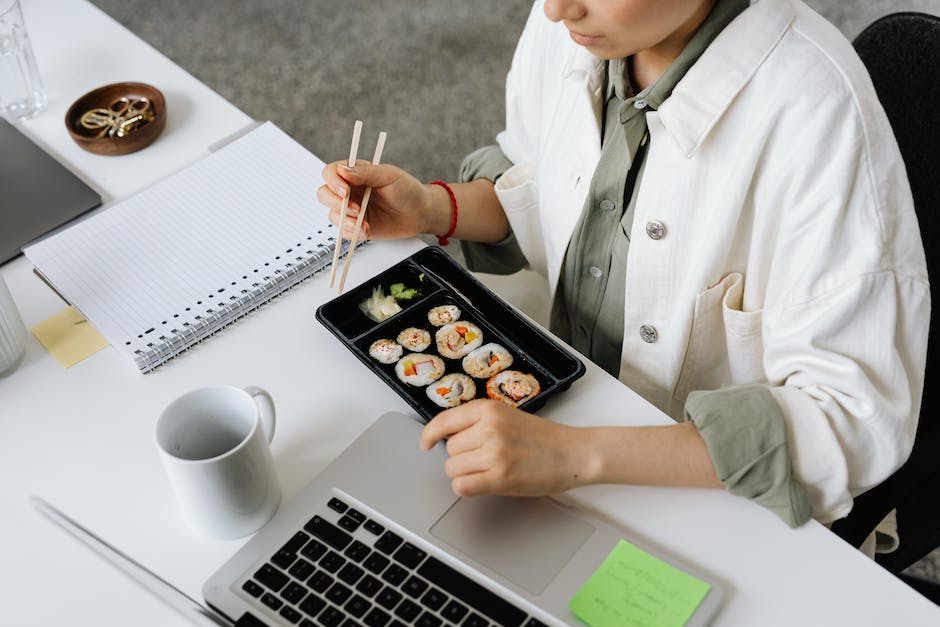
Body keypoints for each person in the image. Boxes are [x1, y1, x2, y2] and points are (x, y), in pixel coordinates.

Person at [318, 0, 929, 536]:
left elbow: (849, 417)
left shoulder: (816, 111)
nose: (556, 10)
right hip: (551, 423)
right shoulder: (573, 29)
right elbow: (538, 184)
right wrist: (433, 207)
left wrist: (574, 455)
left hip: (704, 499)